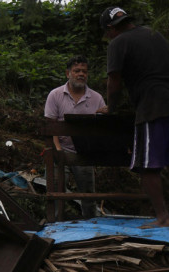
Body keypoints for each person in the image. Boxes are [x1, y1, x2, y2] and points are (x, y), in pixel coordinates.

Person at [99, 6, 169, 228]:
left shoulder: (118, 43)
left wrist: (111, 108)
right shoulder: (154, 33)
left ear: (110, 28)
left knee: (147, 166)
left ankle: (162, 217)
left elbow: (114, 81)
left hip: (152, 106)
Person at [44, 55, 107, 218]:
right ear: (68, 73)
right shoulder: (55, 95)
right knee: (56, 188)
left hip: (85, 152)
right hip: (61, 148)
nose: (81, 74)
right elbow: (50, 126)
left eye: (84, 71)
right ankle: (55, 223)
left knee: (88, 193)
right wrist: (58, 152)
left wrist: (103, 115)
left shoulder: (96, 98)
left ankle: (91, 224)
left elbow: (103, 128)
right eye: (77, 71)